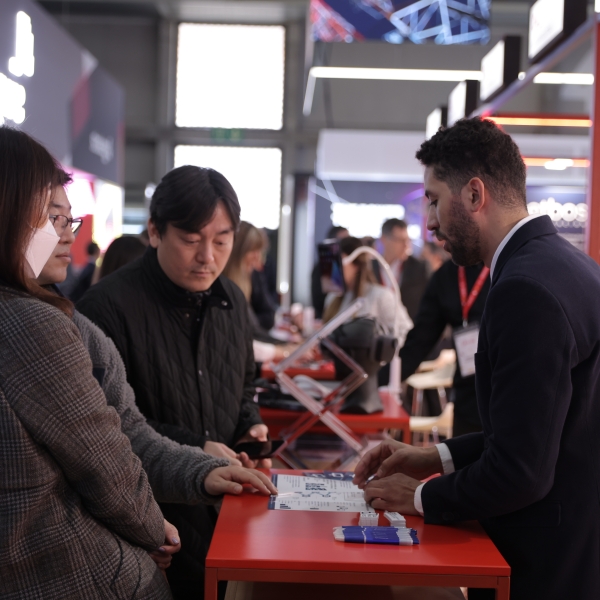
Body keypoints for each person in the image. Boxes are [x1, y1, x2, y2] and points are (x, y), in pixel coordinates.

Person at [354, 117, 600, 600]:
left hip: (544, 565)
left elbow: (522, 472)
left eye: (433, 199)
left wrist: (419, 496)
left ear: (473, 194)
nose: (429, 221)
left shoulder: (525, 289)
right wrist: (434, 457)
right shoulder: (572, 266)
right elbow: (536, 429)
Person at [77, 165, 272, 599]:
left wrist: (250, 425)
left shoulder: (231, 300)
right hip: (153, 526)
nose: (207, 257)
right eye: (190, 239)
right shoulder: (105, 308)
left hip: (227, 513)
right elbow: (105, 430)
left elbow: (243, 385)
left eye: (221, 241)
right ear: (155, 231)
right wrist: (198, 447)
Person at [0, 126, 173, 598]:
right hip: (65, 572)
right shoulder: (32, 323)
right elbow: (103, 463)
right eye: (52, 216)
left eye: (68, 219)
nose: (66, 234)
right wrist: (153, 532)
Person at [400, 260, 490, 435]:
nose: (445, 248)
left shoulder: (508, 267)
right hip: (467, 398)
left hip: (508, 399)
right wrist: (380, 381)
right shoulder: (447, 276)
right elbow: (419, 341)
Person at [223, 221, 297, 363]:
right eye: (253, 251)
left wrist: (287, 346)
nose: (258, 259)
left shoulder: (243, 284)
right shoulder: (228, 289)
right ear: (238, 252)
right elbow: (248, 337)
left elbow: (254, 330)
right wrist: (285, 350)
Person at [322, 236, 412, 345]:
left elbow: (406, 332)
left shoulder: (381, 296)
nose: (333, 269)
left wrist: (383, 350)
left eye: (338, 262)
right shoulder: (332, 297)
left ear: (355, 265)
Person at [374, 218, 429, 321]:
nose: (406, 245)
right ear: (384, 239)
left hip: (408, 326)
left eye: (407, 240)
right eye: (400, 240)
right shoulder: (371, 267)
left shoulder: (418, 268)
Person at [311, 225, 349, 318]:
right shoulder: (322, 267)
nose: (346, 245)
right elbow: (318, 301)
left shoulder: (350, 265)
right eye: (343, 241)